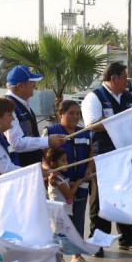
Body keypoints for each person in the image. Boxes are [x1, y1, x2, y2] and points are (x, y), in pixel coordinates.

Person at [81, 62, 132, 255]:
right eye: (124, 77)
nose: (127, 81)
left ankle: (127, 239)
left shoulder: (129, 97)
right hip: (103, 157)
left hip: (126, 155)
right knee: (100, 201)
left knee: (125, 197)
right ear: (114, 78)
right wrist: (122, 121)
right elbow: (93, 125)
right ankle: (98, 242)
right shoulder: (94, 98)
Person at [42, 99, 93, 241]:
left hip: (80, 185)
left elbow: (91, 154)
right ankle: (60, 252)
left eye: (78, 113)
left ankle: (77, 252)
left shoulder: (84, 132)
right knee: (59, 226)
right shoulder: (50, 132)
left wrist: (89, 169)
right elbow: (42, 157)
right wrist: (50, 171)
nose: (75, 117)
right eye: (71, 113)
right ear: (60, 114)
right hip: (59, 187)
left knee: (78, 224)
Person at [4, 65, 66, 166]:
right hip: (20, 167)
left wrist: (48, 141)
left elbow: (30, 135)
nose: (34, 85)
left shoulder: (22, 104)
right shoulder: (8, 106)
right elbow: (16, 143)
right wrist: (46, 141)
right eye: (31, 82)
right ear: (20, 86)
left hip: (31, 165)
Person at [44, 146, 91, 262]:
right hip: (59, 214)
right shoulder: (56, 178)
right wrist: (77, 185)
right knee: (59, 239)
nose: (67, 163)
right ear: (54, 163)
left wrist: (73, 183)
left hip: (62, 213)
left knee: (61, 238)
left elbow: (65, 187)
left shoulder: (60, 177)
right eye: (63, 160)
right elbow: (69, 194)